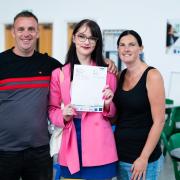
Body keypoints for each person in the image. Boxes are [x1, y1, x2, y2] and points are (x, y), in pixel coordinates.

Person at [48, 19, 118, 179]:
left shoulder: (108, 73)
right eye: (82, 36)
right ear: (73, 38)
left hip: (100, 145)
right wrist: (63, 115)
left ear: (97, 42)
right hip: (71, 141)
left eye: (92, 38)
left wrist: (108, 104)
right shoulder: (59, 74)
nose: (86, 42)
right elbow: (52, 110)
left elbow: (114, 114)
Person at [0, 10, 63, 180]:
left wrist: (105, 63)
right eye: (21, 29)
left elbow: (77, 74)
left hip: (40, 152)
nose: (26, 34)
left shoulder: (50, 65)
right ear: (13, 32)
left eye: (30, 29)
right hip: (4, 152)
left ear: (37, 32)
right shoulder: (1, 63)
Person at [113, 30, 165, 180]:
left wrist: (143, 158)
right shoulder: (120, 76)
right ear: (118, 50)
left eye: (131, 44)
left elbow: (159, 121)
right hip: (120, 155)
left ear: (140, 48)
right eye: (122, 45)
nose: (126, 49)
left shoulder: (152, 75)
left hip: (142, 159)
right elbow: (118, 116)